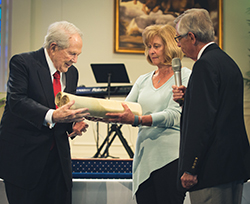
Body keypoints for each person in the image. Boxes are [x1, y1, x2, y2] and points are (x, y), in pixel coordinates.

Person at [97, 24, 191, 203]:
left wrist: (138, 120)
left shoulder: (185, 76)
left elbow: (173, 115)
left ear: (170, 46)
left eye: (156, 46)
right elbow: (125, 108)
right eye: (149, 47)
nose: (151, 51)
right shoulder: (143, 80)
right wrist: (97, 113)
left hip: (171, 158)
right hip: (144, 158)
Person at [0, 21, 90, 204]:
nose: (75, 60)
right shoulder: (23, 63)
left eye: (78, 55)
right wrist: (52, 116)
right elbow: (17, 101)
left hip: (58, 164)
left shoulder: (72, 73)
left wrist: (74, 124)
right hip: (24, 163)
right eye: (72, 54)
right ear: (53, 47)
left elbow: (65, 109)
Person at [172, 8, 250, 204]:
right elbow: (221, 110)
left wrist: (190, 168)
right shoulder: (228, 62)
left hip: (211, 170)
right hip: (232, 167)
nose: (179, 45)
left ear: (191, 37)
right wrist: (188, 100)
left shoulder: (204, 65)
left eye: (178, 38)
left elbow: (202, 123)